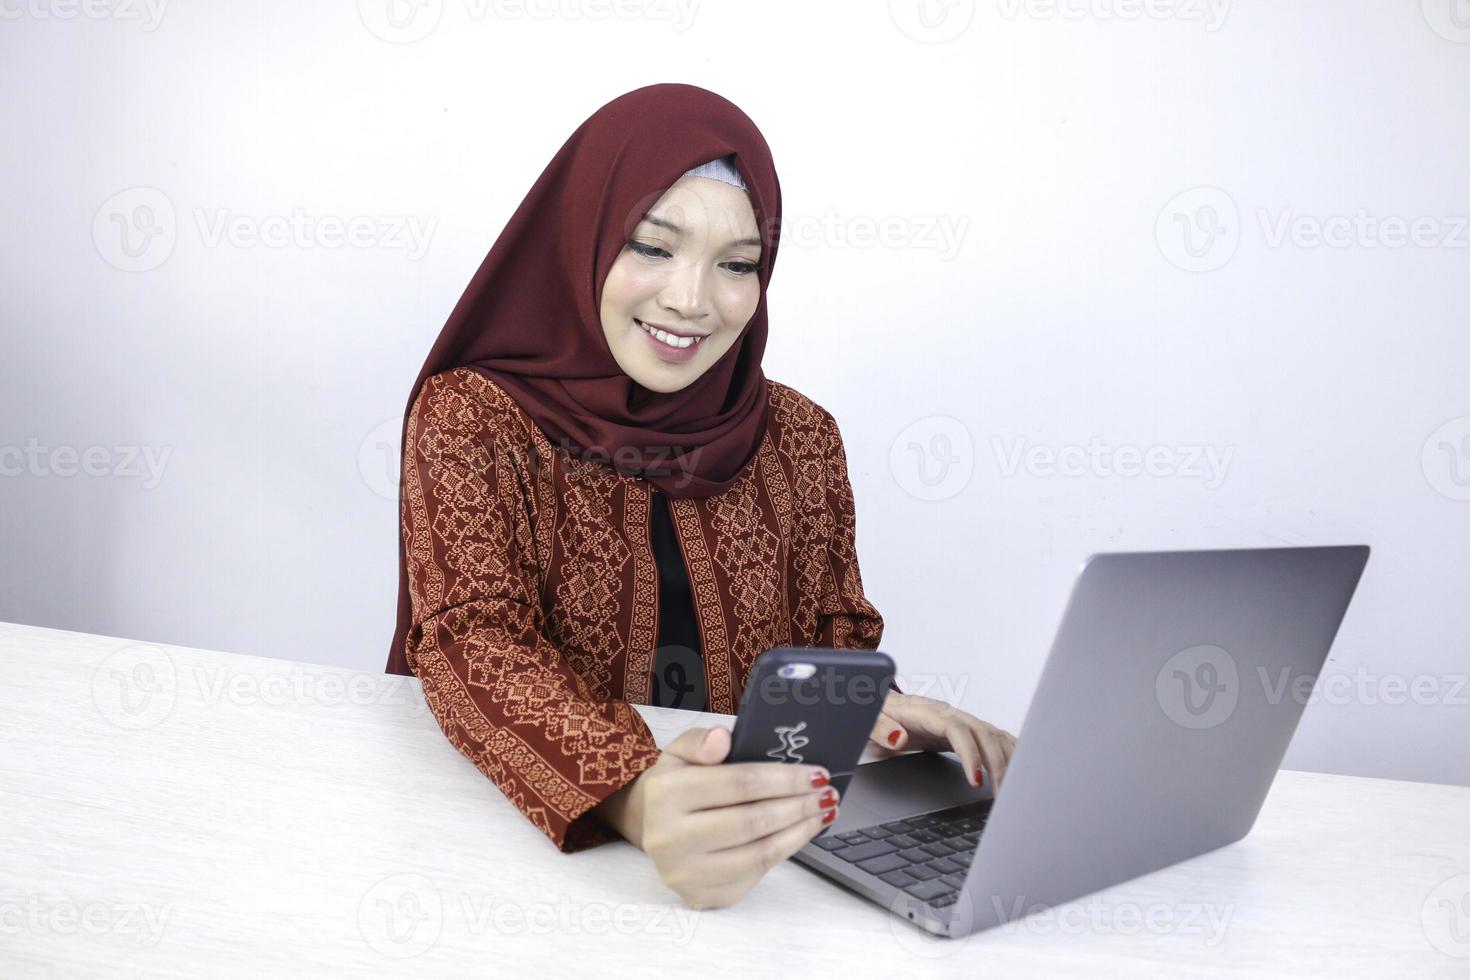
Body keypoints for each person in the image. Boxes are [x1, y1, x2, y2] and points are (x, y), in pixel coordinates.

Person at [385, 82, 1017, 910]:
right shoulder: (476, 416)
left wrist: (882, 712)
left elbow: (827, 643)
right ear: (581, 238)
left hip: (762, 867)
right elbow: (474, 644)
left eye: (737, 264)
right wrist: (640, 798)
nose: (691, 300)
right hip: (513, 866)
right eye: (653, 247)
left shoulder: (800, 437)